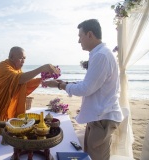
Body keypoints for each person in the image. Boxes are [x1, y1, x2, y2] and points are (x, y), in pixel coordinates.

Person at [43, 19, 124, 160]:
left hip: (102, 117)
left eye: (80, 36)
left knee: (95, 157)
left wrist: (59, 85)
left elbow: (86, 89)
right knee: (90, 154)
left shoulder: (101, 55)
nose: (79, 41)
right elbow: (91, 83)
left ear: (90, 34)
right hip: (99, 116)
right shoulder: (100, 53)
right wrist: (65, 83)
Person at [0, 46, 59, 142]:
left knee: (10, 136)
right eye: (20, 58)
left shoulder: (16, 70)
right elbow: (20, 79)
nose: (23, 61)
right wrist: (41, 69)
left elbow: (24, 84)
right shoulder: (2, 67)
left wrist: (41, 80)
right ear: (11, 56)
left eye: (24, 58)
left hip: (7, 110)